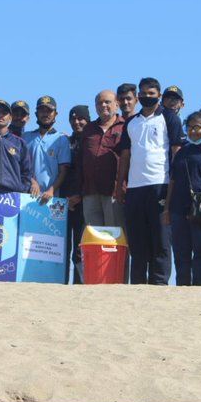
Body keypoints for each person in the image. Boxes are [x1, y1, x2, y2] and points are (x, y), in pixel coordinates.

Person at [116, 78, 183, 285]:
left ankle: (160, 283)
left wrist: (174, 184)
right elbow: (125, 156)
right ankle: (137, 282)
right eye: (143, 93)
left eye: (151, 93)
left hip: (160, 184)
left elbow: (176, 152)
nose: (147, 96)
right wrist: (120, 185)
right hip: (135, 187)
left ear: (159, 95)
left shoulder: (169, 118)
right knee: (137, 239)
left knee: (160, 238)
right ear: (138, 96)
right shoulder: (131, 122)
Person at [164, 111, 201, 285]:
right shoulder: (181, 152)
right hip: (179, 205)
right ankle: (182, 285)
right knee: (181, 250)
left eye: (197, 127)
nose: (193, 131)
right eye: (190, 127)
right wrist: (167, 207)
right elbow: (173, 180)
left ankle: (200, 285)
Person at [69, 91, 124, 228]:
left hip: (114, 192)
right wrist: (77, 191)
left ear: (117, 105)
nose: (103, 105)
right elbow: (80, 161)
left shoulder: (125, 126)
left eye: (107, 102)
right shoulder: (89, 129)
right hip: (90, 192)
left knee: (114, 237)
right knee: (94, 237)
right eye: (99, 103)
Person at [60, 105, 90, 284]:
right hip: (63, 202)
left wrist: (79, 195)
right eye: (73, 119)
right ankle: (61, 283)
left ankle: (79, 286)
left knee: (80, 249)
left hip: (84, 201)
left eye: (81, 119)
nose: (77, 122)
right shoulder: (65, 142)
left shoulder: (92, 141)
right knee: (62, 247)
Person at [23, 96, 71, 204]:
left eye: (49, 111)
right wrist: (32, 182)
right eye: (42, 111)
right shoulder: (26, 137)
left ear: (55, 114)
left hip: (52, 198)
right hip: (27, 196)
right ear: (36, 114)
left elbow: (63, 170)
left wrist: (51, 191)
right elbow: (21, 166)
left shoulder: (61, 139)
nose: (45, 114)